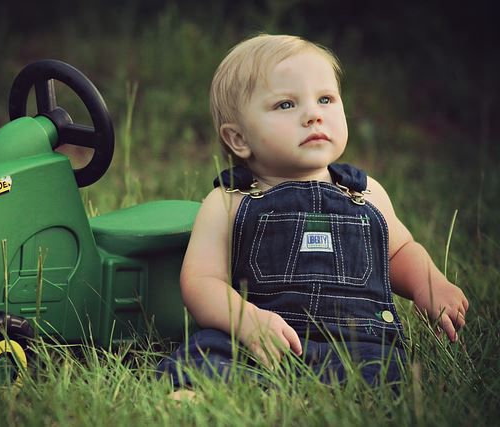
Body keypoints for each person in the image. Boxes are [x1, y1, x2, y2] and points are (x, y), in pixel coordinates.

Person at [157, 33, 469, 395]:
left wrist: (428, 284)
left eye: (325, 99)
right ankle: (207, 392)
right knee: (206, 354)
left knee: (389, 372)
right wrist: (246, 321)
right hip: (260, 339)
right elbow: (201, 281)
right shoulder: (230, 200)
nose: (313, 115)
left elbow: (399, 251)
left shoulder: (364, 192)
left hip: (357, 342)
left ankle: (323, 396)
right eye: (286, 105)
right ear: (238, 138)